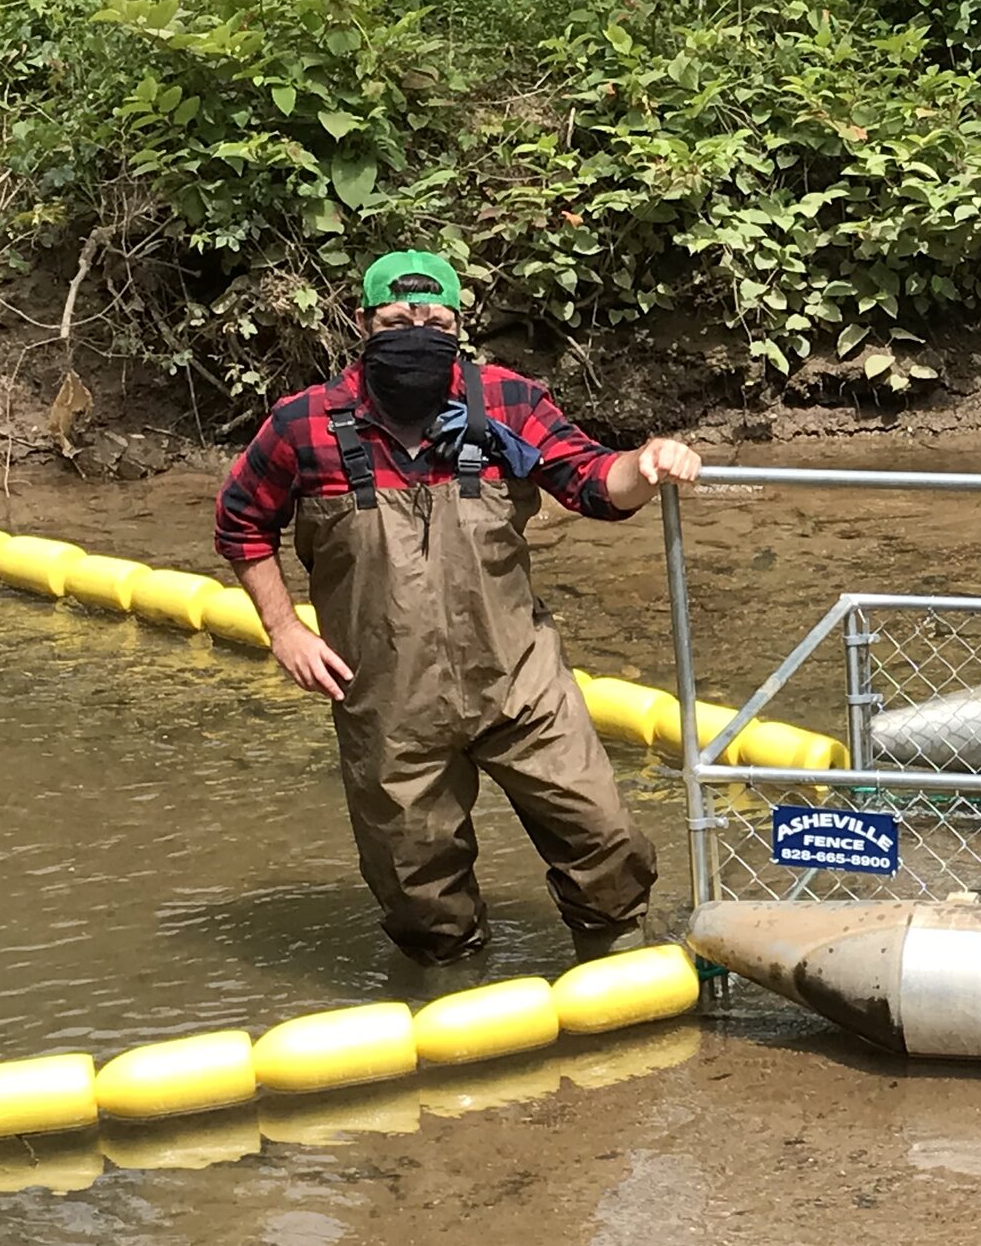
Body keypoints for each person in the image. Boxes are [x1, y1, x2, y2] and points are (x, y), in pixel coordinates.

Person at [215, 249, 702, 967]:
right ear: (362, 324)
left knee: (604, 837)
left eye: (435, 320)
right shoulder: (303, 426)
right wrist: (283, 627)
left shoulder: (508, 402)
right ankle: (453, 1009)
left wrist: (651, 460)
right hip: (387, 698)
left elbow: (595, 481)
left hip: (519, 681)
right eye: (397, 320)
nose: (417, 331)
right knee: (417, 889)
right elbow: (240, 523)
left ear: (458, 325)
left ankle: (621, 983)